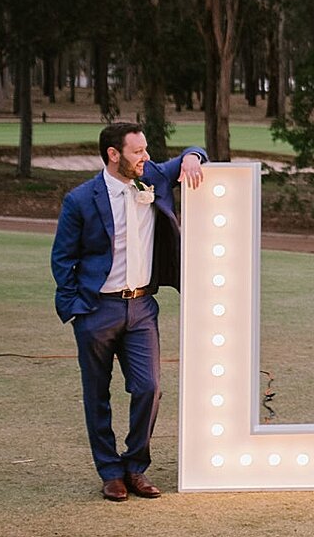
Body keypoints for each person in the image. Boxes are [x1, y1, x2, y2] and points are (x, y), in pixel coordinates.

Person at [51, 122, 206, 501]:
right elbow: (62, 259)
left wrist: (191, 158)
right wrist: (77, 308)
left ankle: (136, 467)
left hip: (141, 308)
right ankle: (110, 472)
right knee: (96, 394)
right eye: (138, 151)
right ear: (113, 155)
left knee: (149, 388)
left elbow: (196, 149)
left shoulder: (150, 175)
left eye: (146, 149)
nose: (146, 157)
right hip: (96, 310)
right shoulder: (81, 199)